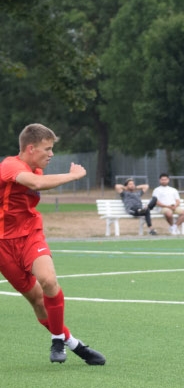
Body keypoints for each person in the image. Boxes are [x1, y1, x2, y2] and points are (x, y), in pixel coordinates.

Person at [0, 123, 106, 365]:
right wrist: (74, 175)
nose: (51, 154)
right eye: (47, 149)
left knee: (48, 280)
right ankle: (75, 345)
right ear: (30, 148)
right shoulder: (10, 166)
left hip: (31, 235)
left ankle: (57, 339)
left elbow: (38, 182)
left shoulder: (36, 169)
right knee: (37, 301)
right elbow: (36, 184)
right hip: (3, 245)